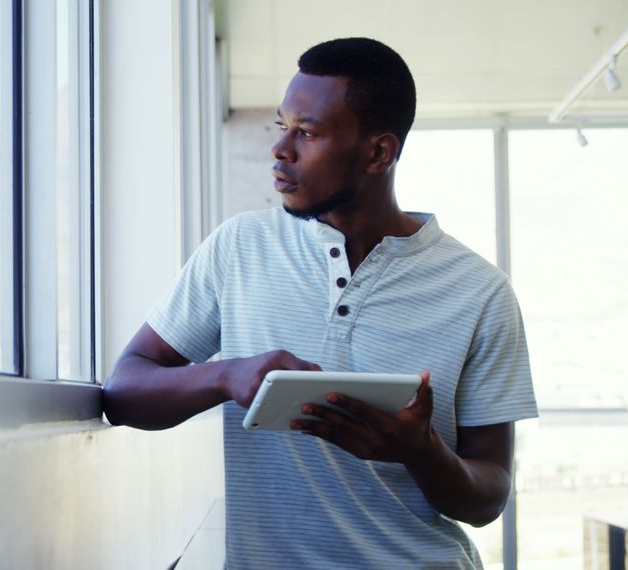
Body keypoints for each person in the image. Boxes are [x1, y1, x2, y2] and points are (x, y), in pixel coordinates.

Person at [102, 37, 538, 569]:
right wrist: (226, 376)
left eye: (306, 133)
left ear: (379, 152)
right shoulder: (239, 246)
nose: (281, 149)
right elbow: (124, 392)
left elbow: (489, 498)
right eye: (281, 126)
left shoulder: (480, 291)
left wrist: (422, 452)